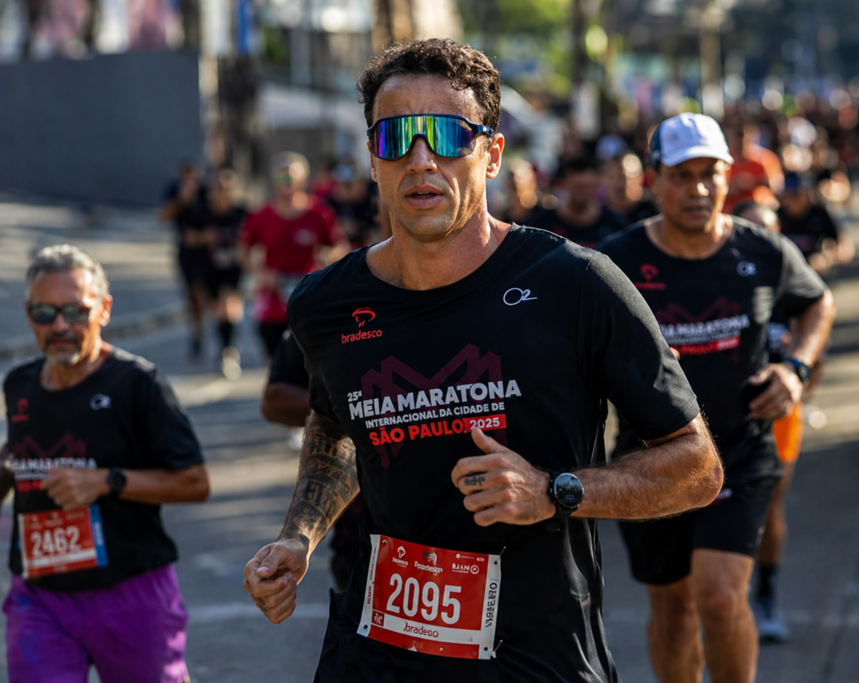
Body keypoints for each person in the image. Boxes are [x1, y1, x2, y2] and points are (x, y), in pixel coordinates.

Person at [242, 38, 723, 682]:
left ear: (492, 153)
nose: (421, 160)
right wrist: (298, 537)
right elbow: (338, 425)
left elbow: (697, 467)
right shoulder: (325, 303)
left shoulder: (575, 284)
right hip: (377, 650)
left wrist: (554, 492)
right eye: (396, 137)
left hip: (535, 656)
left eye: (446, 135)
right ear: (373, 158)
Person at [599, 113, 835, 683]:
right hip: (651, 463)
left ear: (730, 178)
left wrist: (795, 369)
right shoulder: (615, 263)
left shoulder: (762, 250)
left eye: (711, 174)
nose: (699, 189)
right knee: (674, 614)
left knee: (721, 596)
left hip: (739, 452)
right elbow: (572, 341)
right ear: (654, 180)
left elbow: (817, 302)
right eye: (682, 175)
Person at [2, 245, 210, 683]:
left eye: (76, 311)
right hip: (40, 596)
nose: (60, 326)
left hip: (130, 591)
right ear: (28, 314)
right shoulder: (19, 384)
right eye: (45, 313)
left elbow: (194, 482)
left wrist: (106, 481)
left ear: (104, 309)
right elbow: (17, 455)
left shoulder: (138, 384)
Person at [733, 201, 804, 643]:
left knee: (770, 505)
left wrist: (795, 379)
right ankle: (721, 597)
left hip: (777, 417)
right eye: (751, 228)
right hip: (721, 413)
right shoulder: (716, 279)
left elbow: (816, 344)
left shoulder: (788, 285)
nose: (761, 238)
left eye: (769, 230)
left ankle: (766, 594)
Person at [260, 329, 365, 590]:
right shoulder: (329, 311)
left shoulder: (467, 311)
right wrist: (298, 538)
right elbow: (274, 400)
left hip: (463, 545)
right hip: (364, 544)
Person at [240, 152, 339, 359]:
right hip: (273, 303)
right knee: (276, 362)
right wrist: (261, 273)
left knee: (312, 364)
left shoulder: (319, 212)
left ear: (303, 180)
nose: (287, 182)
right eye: (281, 177)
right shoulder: (261, 215)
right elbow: (243, 250)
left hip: (309, 299)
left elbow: (339, 245)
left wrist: (327, 259)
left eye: (292, 177)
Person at [184, 168, 248, 379]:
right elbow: (188, 237)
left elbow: (255, 237)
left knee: (228, 307)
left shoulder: (241, 214)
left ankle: (229, 352)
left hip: (233, 270)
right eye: (218, 188)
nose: (222, 193)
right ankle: (224, 348)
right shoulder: (201, 212)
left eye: (226, 188)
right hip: (208, 269)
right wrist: (206, 237)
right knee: (218, 311)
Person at [160, 159, 208, 359]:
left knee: (206, 293)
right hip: (186, 252)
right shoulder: (175, 190)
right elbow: (164, 216)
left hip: (207, 252)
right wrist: (181, 199)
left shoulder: (205, 192)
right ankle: (197, 331)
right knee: (192, 294)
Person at [531, 156, 628, 247]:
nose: (581, 192)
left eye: (586, 186)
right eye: (577, 186)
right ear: (564, 184)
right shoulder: (543, 222)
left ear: (596, 186)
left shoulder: (615, 223)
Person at [776, 173, 852, 278]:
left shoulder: (820, 215)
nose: (795, 199)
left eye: (798, 193)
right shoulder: (776, 218)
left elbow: (843, 248)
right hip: (786, 275)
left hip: (815, 275)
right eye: (791, 194)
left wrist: (825, 259)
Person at [604, 153, 659, 225]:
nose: (618, 183)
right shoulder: (597, 217)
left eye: (623, 177)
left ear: (640, 178)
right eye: (612, 178)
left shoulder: (651, 207)